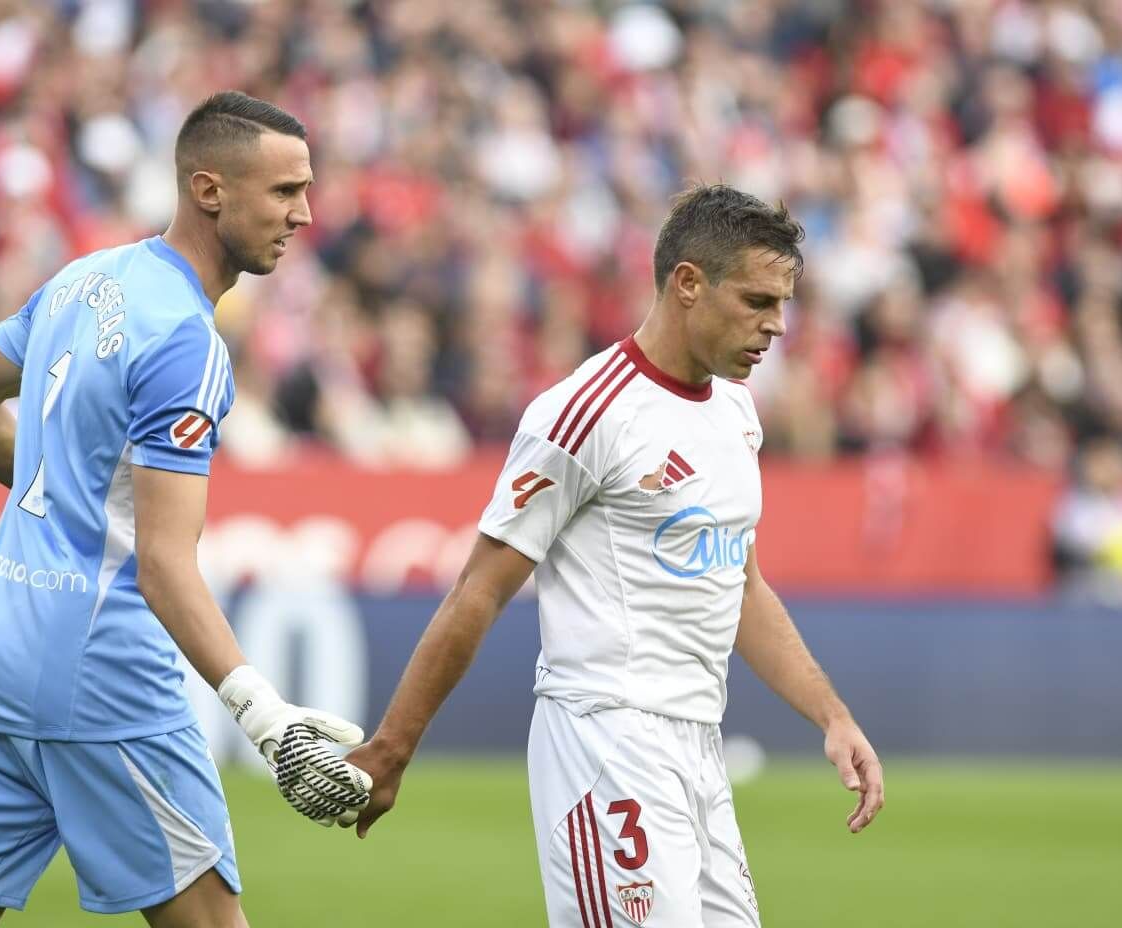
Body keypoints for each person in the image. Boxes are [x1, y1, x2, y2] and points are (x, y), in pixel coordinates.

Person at [347, 185, 886, 926]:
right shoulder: (584, 415)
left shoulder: (735, 409)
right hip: (606, 739)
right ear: (687, 284)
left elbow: (741, 585)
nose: (778, 327)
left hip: (699, 747)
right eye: (759, 301)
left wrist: (832, 716)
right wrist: (394, 746)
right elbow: (478, 590)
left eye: (784, 304)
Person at [0, 91, 371, 928]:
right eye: (283, 192)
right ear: (209, 190)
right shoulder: (189, 342)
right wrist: (266, 717)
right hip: (100, 676)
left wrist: (66, 497)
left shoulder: (85, 276)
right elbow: (161, 564)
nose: (305, 214)